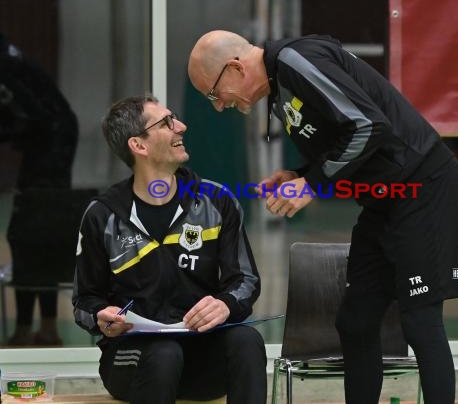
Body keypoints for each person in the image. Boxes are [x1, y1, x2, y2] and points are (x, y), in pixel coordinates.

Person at [188, 31, 458, 404]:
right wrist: (301, 174)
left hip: (420, 187)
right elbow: (341, 137)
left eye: (213, 94)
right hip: (382, 201)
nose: (219, 106)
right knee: (356, 321)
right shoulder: (279, 85)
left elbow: (367, 124)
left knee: (420, 320)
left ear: (235, 67)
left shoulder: (293, 60)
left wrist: (313, 184)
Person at [72, 95, 267, 404]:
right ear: (139, 145)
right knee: (164, 353)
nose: (181, 126)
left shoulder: (217, 201)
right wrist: (99, 316)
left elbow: (246, 281)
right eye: (166, 123)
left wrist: (226, 304)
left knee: (247, 340)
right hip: (133, 359)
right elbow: (84, 301)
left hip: (202, 357)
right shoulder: (102, 214)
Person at [0, 32, 78, 346]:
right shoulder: (9, 57)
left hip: (53, 142)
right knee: (37, 231)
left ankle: (35, 329)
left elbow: (31, 118)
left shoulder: (6, 63)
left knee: (32, 232)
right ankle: (43, 327)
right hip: (52, 136)